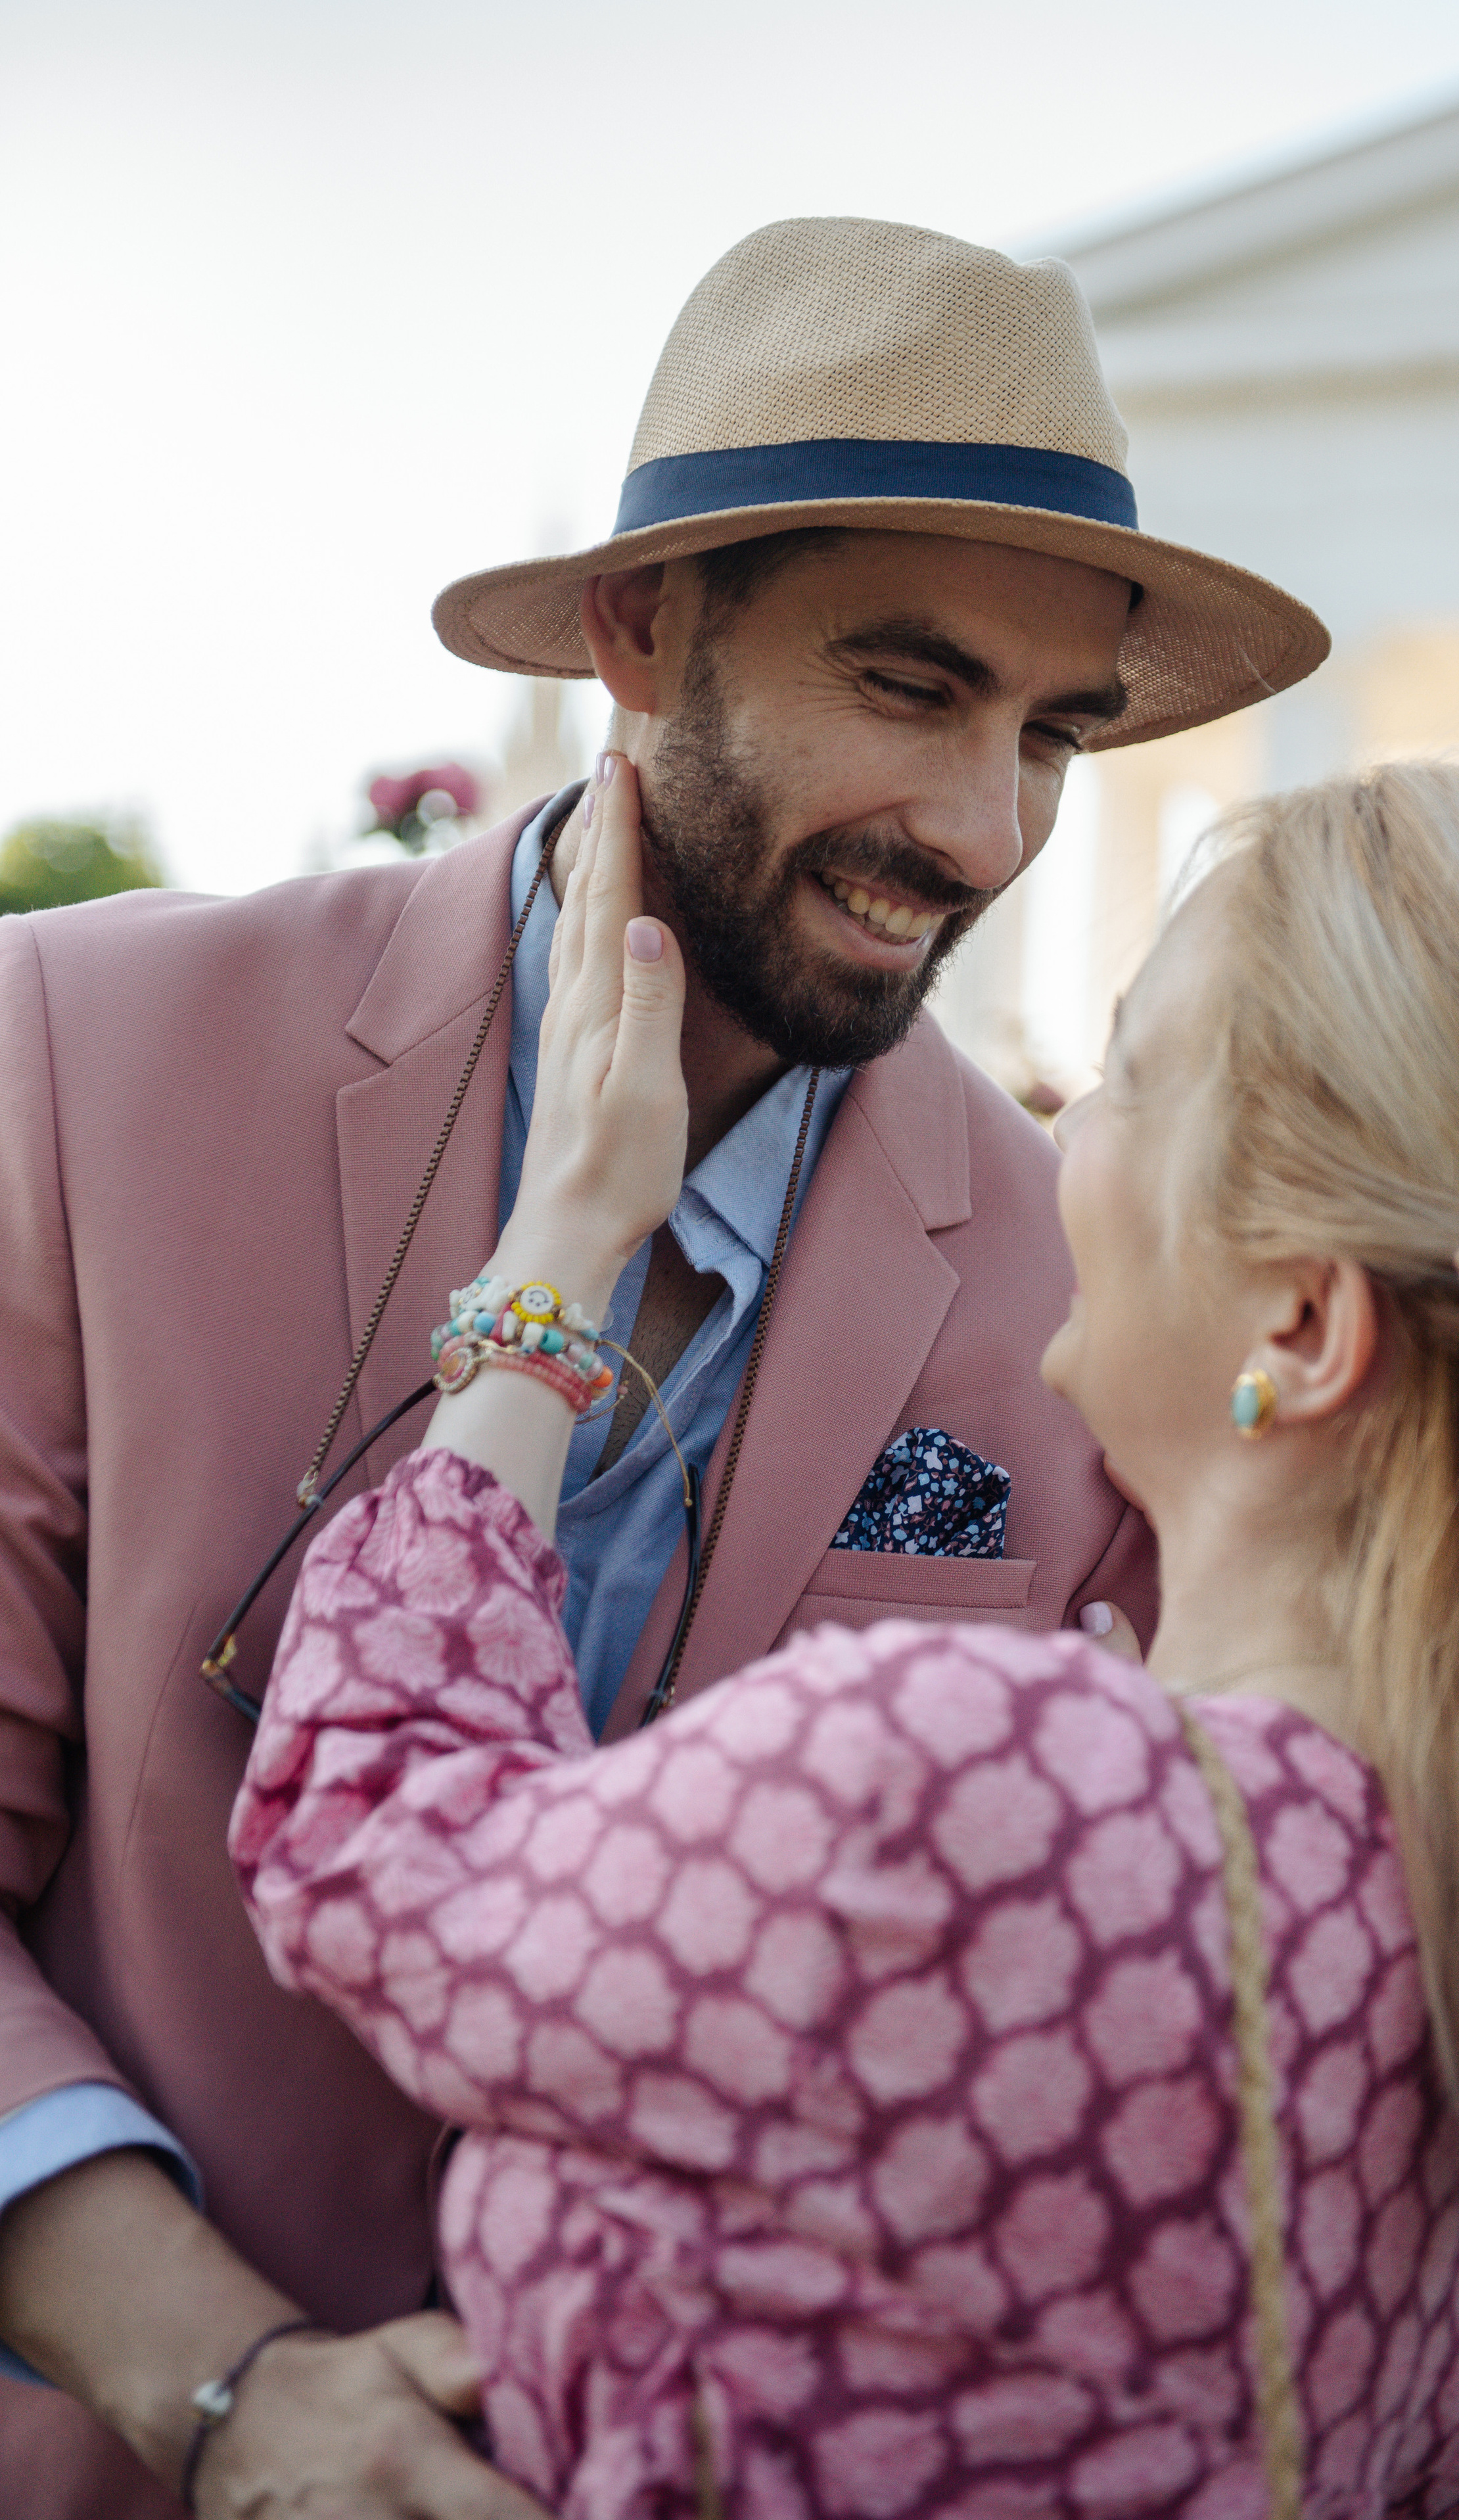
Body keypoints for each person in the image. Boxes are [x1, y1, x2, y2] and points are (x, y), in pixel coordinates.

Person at [0, 218, 1328, 2515]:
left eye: (1050, 737)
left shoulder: (1086, 1283)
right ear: (639, 633)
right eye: (914, 691)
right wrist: (223, 2391)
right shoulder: (75, 1056)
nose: (988, 832)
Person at [231, 753, 1459, 2514]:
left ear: (1303, 1324)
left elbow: (375, 1832)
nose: (1056, 1130)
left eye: (1131, 1077)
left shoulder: (990, 1788)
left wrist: (562, 1247)